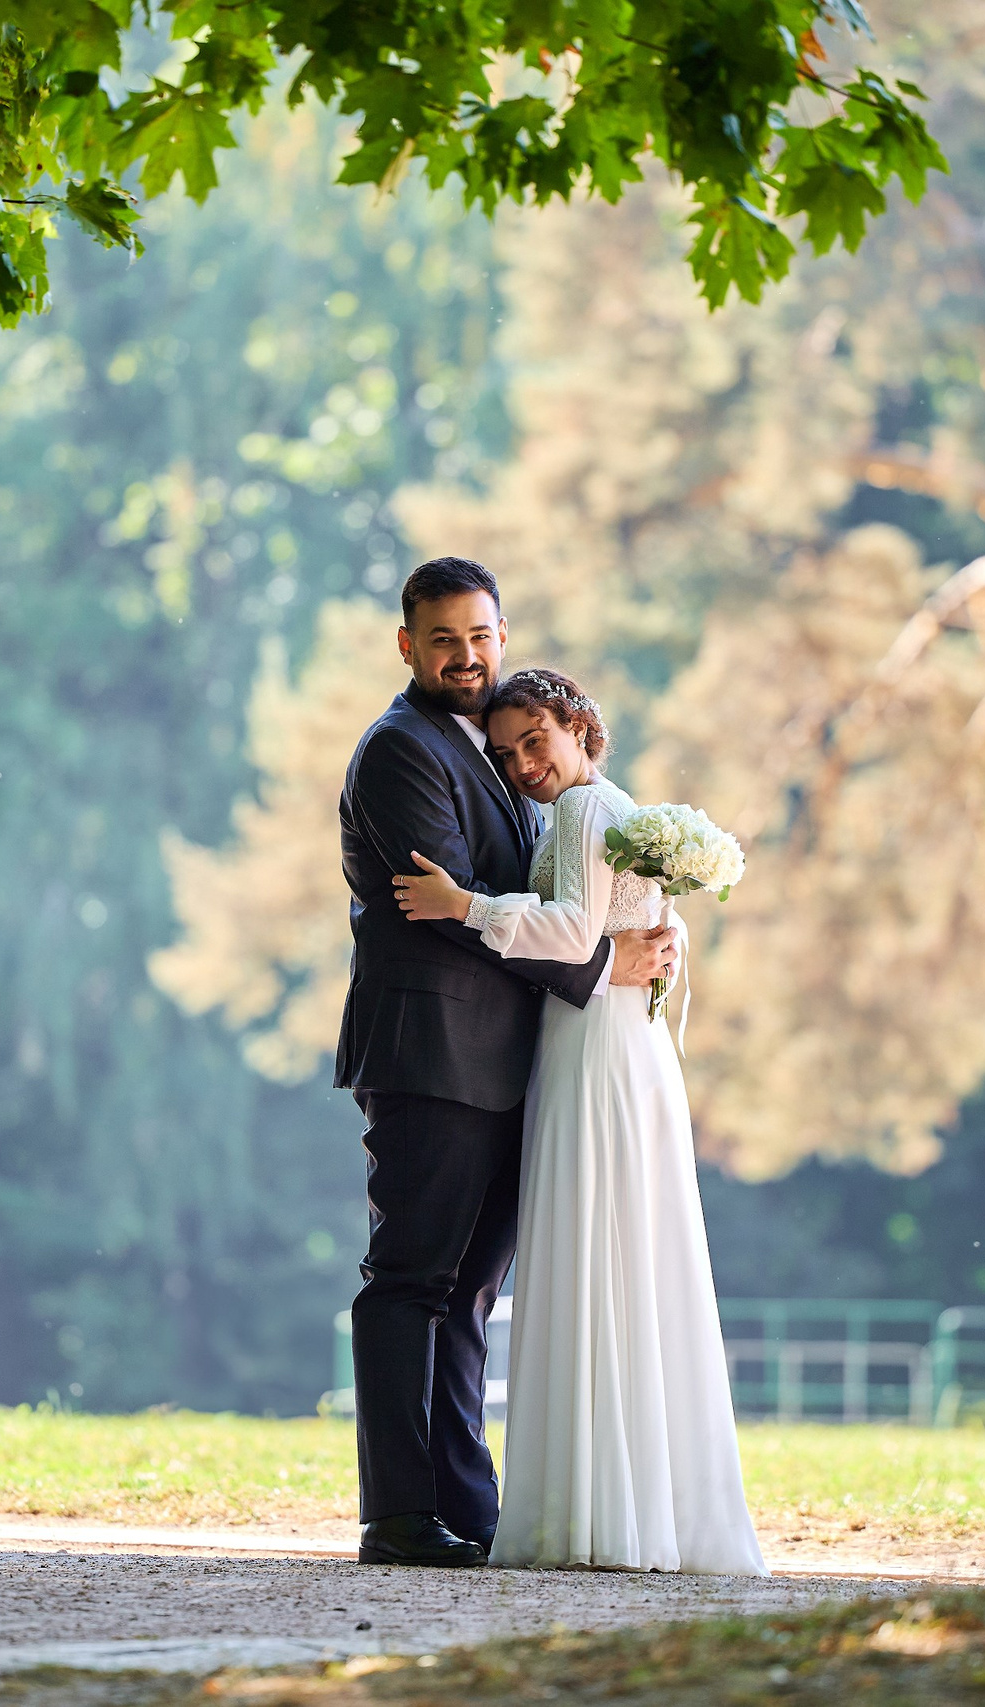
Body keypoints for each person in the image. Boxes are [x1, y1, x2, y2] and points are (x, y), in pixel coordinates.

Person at [336, 557, 679, 1568]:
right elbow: (446, 910)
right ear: (408, 646)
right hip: (433, 1051)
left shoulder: (497, 750)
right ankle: (396, 1516)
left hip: (509, 1060)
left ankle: (467, 1507)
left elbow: (551, 881)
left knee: (470, 1290)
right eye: (442, 639)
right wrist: (603, 963)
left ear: (501, 633)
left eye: (479, 636)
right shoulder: (400, 752)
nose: (465, 655)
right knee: (408, 1279)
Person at [393, 665, 766, 1575]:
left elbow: (569, 931)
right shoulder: (615, 808)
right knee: (623, 1260)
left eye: (537, 741)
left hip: (596, 1048)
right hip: (617, 1046)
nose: (524, 763)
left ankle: (595, 1510)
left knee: (596, 1254)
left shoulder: (583, 812)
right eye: (508, 750)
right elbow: (628, 934)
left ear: (578, 726)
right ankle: (629, 1504)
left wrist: (463, 904)